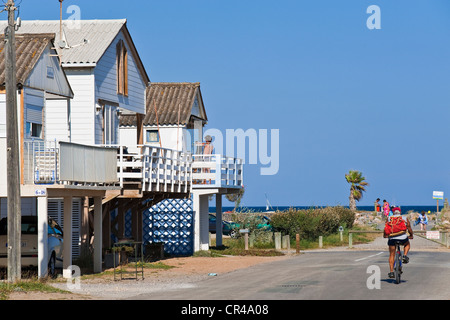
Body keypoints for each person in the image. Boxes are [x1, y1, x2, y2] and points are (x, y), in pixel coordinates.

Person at [384, 209, 414, 279]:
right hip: (402, 237)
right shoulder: (404, 218)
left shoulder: (389, 218)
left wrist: (385, 235)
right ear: (400, 212)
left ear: (393, 213)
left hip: (392, 238)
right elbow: (409, 228)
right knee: (407, 244)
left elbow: (385, 228)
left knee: (392, 254)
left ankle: (391, 272)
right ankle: (405, 255)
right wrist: (411, 235)